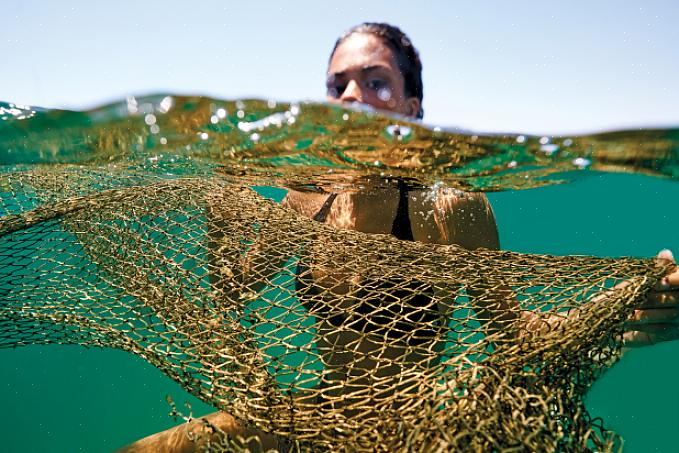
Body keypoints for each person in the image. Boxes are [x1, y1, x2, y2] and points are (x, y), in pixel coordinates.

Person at [118, 22, 679, 452]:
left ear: (412, 109)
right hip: (315, 415)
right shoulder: (309, 196)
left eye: (375, 82)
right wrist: (225, 210)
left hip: (419, 429)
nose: (352, 97)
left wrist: (621, 313)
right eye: (338, 86)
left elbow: (514, 337)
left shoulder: (449, 204)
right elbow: (235, 289)